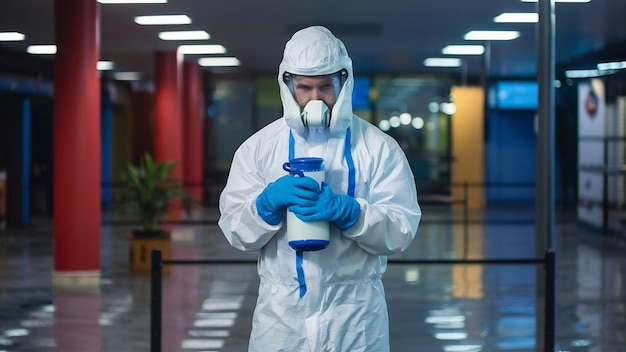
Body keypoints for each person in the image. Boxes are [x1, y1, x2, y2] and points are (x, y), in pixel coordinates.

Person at [218, 25, 421, 352]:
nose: (315, 98)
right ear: (288, 86)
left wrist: (350, 212)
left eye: (325, 86)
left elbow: (401, 230)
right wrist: (265, 204)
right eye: (305, 87)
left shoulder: (379, 148)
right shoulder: (259, 149)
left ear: (344, 82)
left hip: (355, 317)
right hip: (281, 319)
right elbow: (235, 230)